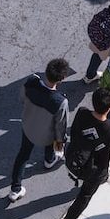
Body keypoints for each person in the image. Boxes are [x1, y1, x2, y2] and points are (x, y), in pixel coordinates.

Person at [56, 88, 110, 219]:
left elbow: (74, 132)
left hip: (74, 158)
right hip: (95, 171)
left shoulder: (82, 112)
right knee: (84, 196)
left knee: (83, 194)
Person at [7, 59, 70, 202]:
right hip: (46, 135)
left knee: (23, 155)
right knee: (51, 141)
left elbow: (22, 98)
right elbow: (60, 127)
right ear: (62, 79)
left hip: (28, 127)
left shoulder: (31, 82)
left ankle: (15, 189)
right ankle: (49, 159)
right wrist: (59, 147)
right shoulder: (60, 102)